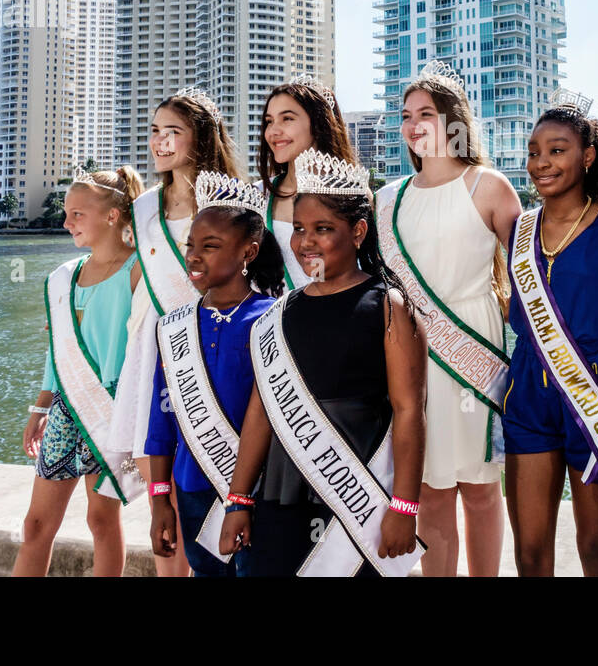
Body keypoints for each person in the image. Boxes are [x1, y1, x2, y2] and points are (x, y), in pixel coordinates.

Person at [219, 149, 426, 576]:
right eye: (297, 229)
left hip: (358, 484)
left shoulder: (389, 307)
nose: (306, 241)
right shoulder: (280, 313)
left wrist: (405, 506)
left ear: (358, 231)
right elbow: (260, 410)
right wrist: (238, 498)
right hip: (284, 484)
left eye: (323, 229)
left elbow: (410, 412)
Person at [375, 60, 521, 577]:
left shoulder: (488, 186)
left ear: (453, 120)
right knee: (431, 490)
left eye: (427, 113)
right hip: (410, 354)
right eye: (406, 114)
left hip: (472, 346)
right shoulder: (387, 200)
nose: (414, 124)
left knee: (480, 487)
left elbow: (531, 278)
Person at [108, 86, 242, 577]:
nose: (160, 142)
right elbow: (134, 274)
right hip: (152, 352)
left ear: (200, 138)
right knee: (162, 499)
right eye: (155, 132)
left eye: (174, 132)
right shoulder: (142, 208)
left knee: (216, 491)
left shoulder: (229, 199)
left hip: (212, 352)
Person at [504, 92, 598, 577]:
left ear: (587, 155)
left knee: (595, 543)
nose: (541, 163)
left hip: (595, 390)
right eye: (534, 151)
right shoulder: (519, 230)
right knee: (530, 552)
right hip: (529, 392)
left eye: (557, 150)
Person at [145, 172, 284, 577]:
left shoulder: (274, 319)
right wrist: (159, 501)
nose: (194, 256)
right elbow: (162, 419)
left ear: (249, 251)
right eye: (191, 245)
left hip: (261, 491)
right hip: (191, 489)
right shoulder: (174, 328)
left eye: (211, 246)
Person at [15, 166, 145, 577]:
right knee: (36, 524)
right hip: (67, 410)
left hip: (112, 410)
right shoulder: (63, 277)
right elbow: (58, 350)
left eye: (77, 214)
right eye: (67, 214)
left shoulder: (139, 272)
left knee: (101, 521)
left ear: (112, 215)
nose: (66, 222)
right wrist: (40, 408)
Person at [257, 74, 359, 291]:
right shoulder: (257, 196)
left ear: (319, 123)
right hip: (267, 322)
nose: (273, 131)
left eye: (287, 119)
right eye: (269, 121)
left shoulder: (352, 194)